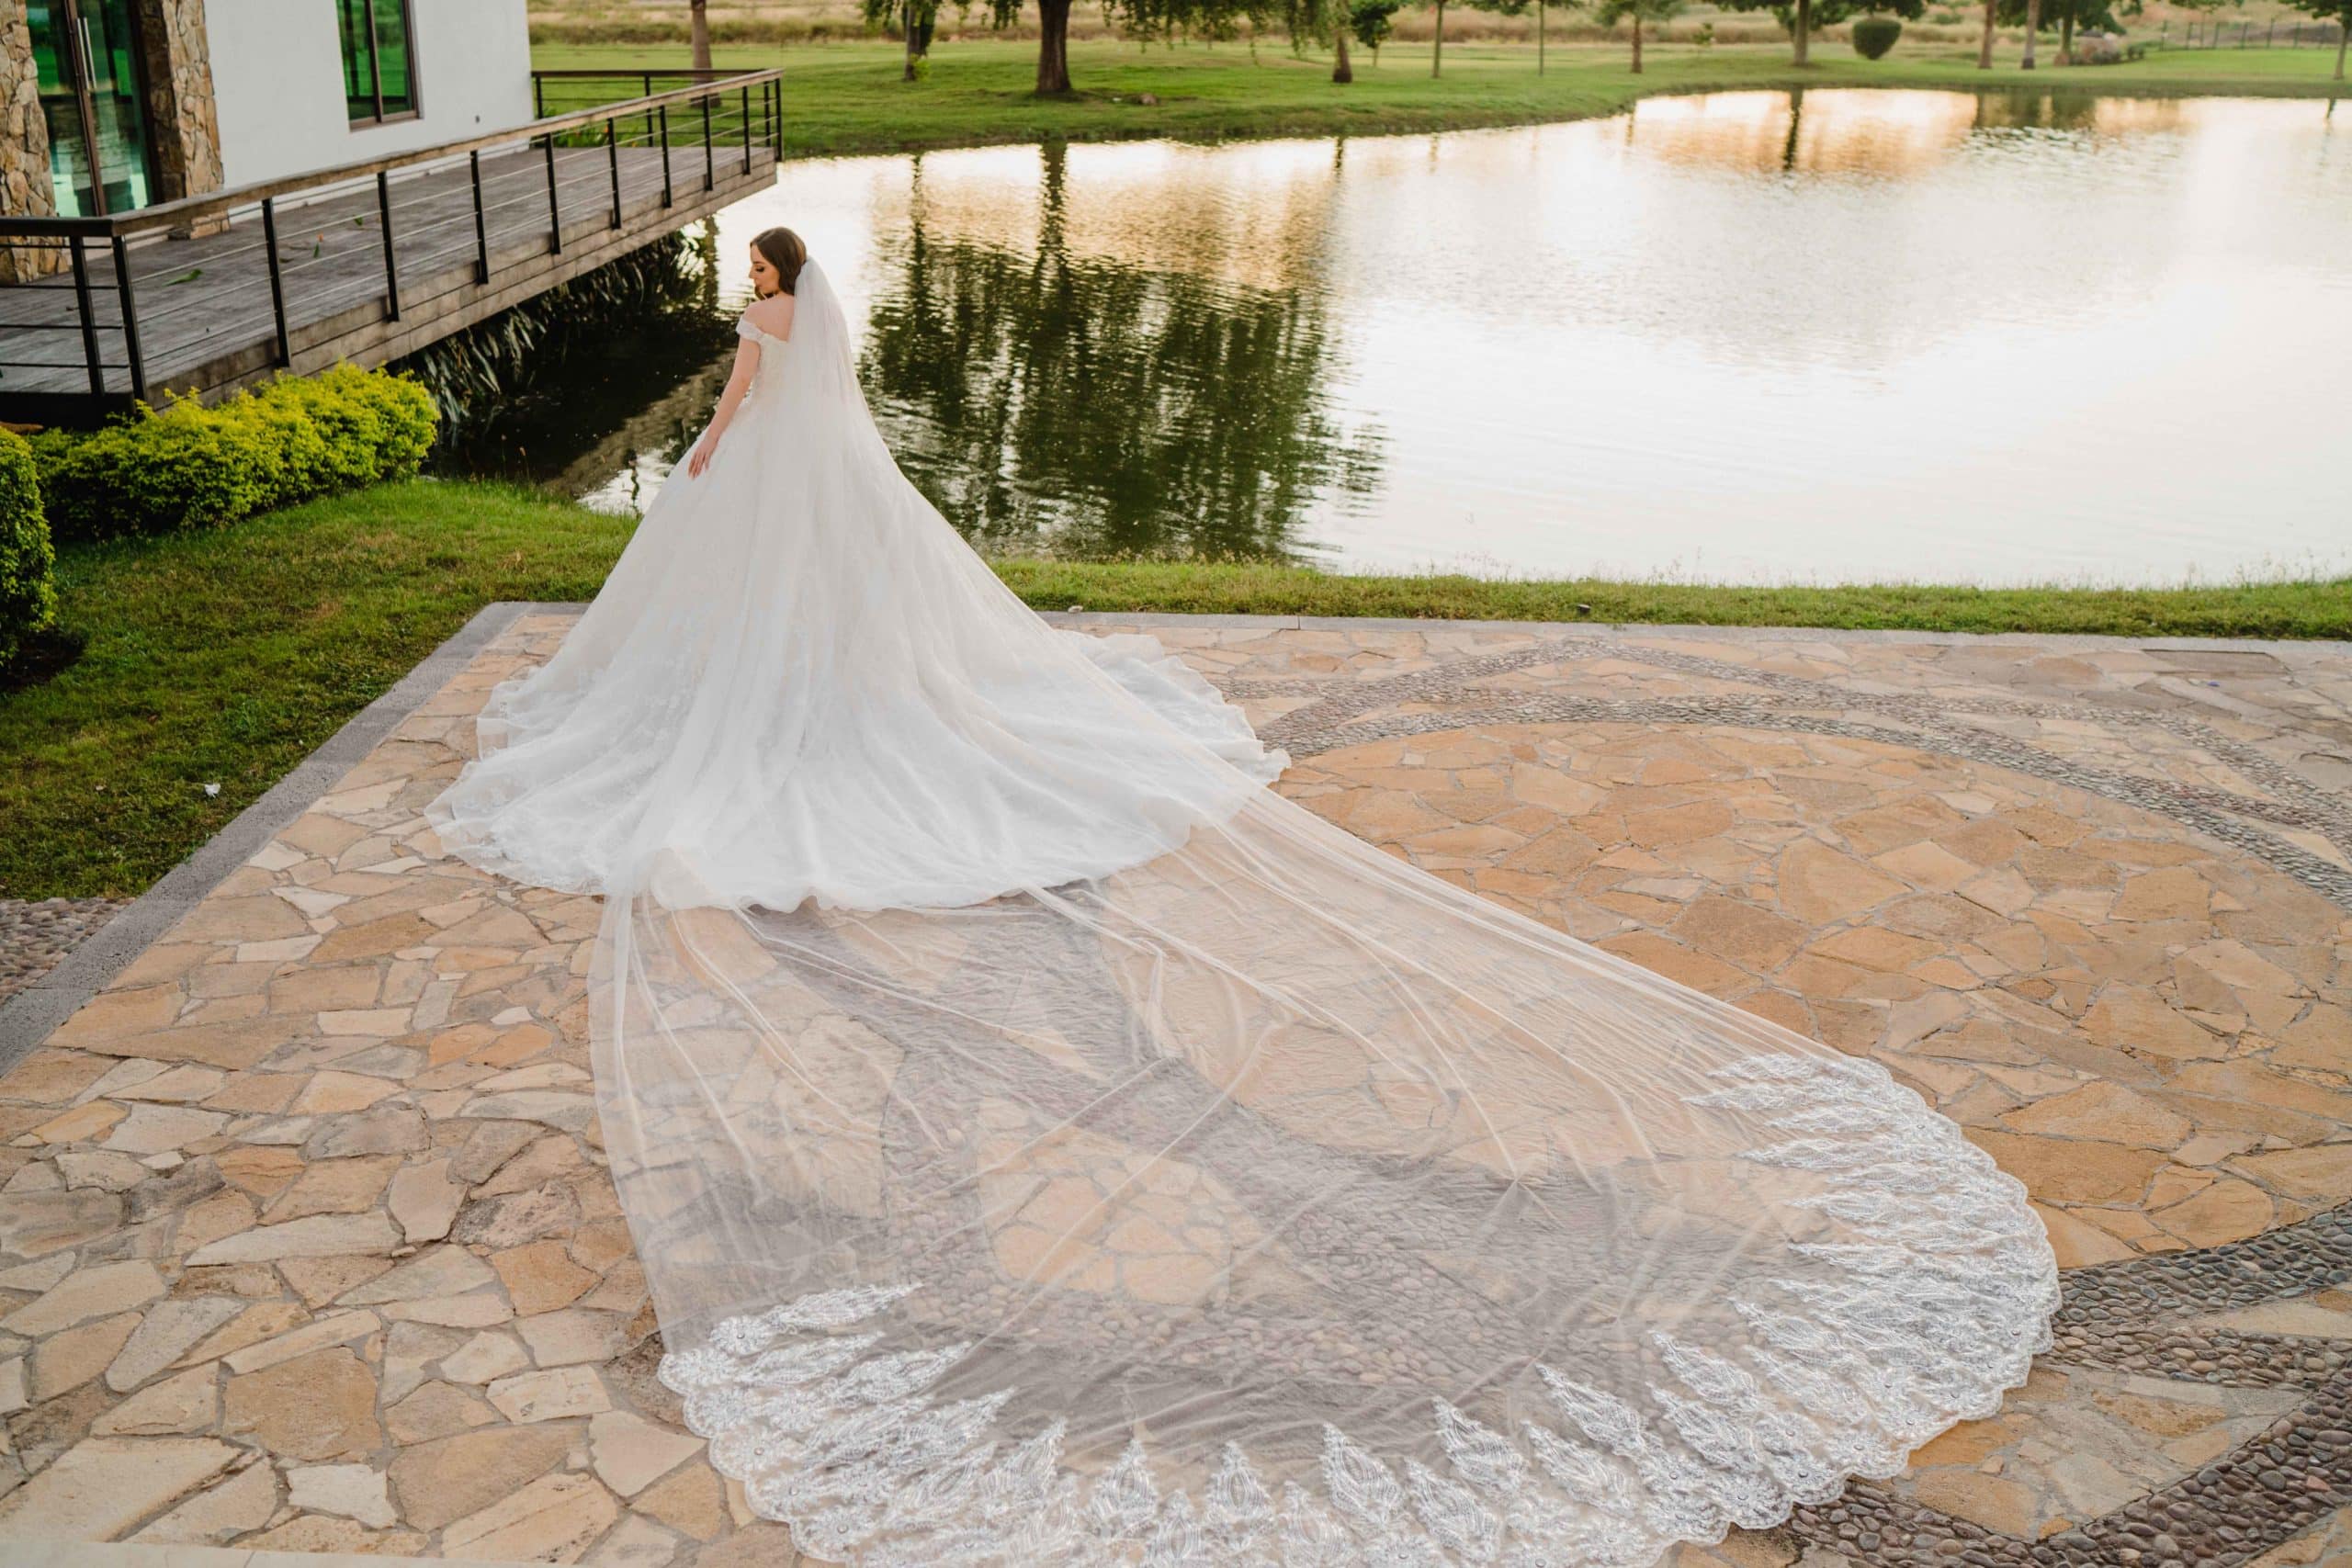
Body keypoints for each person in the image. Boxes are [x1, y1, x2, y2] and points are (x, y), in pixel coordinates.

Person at [426, 227, 2057, 1568]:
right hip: (838, 483)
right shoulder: (816, 326)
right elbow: (804, 395)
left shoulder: (768, 325)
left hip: (780, 481)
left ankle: (819, 724)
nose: (757, 295)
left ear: (770, 279)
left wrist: (705, 463)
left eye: (759, 282)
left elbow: (737, 408)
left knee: (777, 667)